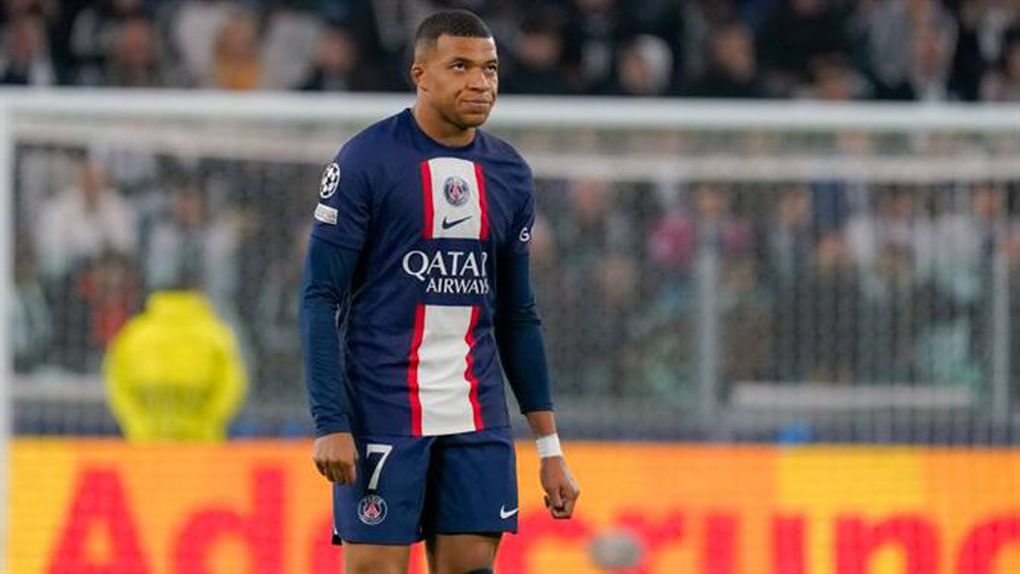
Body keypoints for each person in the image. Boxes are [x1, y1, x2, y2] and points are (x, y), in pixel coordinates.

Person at [300, 9, 580, 574]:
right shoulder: (366, 160)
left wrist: (549, 449)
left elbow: (518, 315)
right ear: (420, 75)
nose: (480, 82)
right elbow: (319, 298)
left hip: (476, 415)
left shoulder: (509, 174)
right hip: (383, 412)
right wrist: (331, 423)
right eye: (460, 67)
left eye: (489, 69)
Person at [103, 287, 247, 442]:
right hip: (202, 445)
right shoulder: (215, 334)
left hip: (145, 444)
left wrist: (138, 424)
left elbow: (117, 383)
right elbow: (231, 385)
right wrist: (207, 424)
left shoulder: (134, 334)